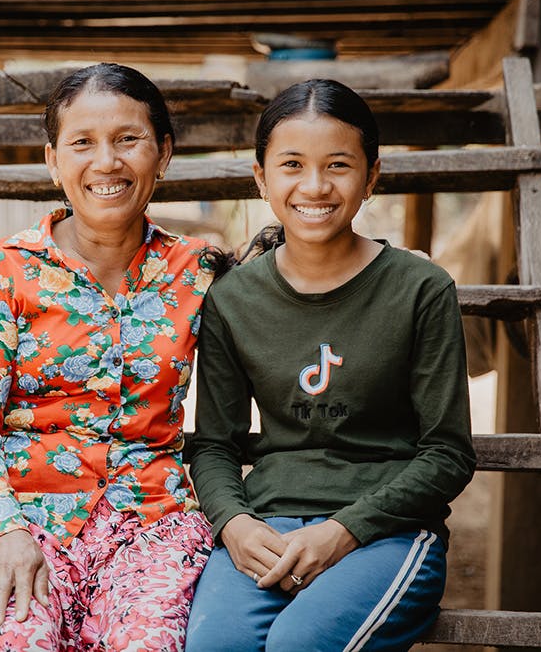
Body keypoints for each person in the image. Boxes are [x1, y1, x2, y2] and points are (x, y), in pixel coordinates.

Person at [0, 62, 223, 651]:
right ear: (53, 161)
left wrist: (386, 265)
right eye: (83, 143)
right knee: (20, 642)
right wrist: (2, 532)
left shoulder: (197, 271)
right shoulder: (7, 269)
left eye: (128, 140)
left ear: (163, 153)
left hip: (151, 525)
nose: (106, 163)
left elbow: (302, 280)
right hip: (20, 518)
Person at [185, 79, 477, 651]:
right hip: (265, 527)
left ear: (371, 175)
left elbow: (448, 452)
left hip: (387, 532)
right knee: (214, 645)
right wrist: (235, 524)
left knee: (300, 643)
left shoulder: (420, 289)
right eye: (291, 164)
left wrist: (343, 532)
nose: (314, 186)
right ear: (261, 177)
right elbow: (215, 443)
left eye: (338, 165)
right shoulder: (232, 300)